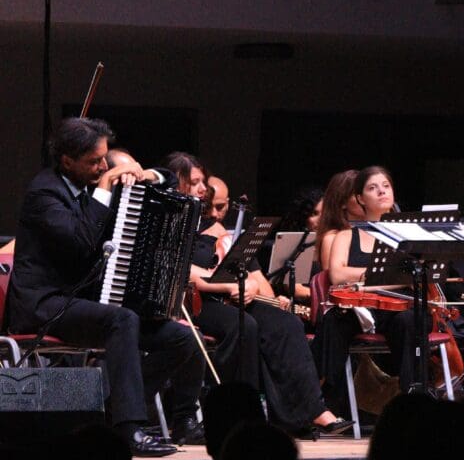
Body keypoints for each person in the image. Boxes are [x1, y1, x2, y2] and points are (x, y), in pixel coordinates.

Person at [6, 118, 204, 456]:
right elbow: (81, 242)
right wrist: (104, 190)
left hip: (80, 303)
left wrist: (147, 175)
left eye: (104, 158)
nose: (102, 166)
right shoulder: (44, 193)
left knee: (180, 338)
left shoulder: (87, 181)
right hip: (43, 305)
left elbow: (169, 178)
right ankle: (129, 430)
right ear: (67, 161)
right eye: (94, 161)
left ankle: (111, 411)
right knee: (121, 318)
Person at [163, 153, 353, 435]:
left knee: (285, 323)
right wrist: (229, 286)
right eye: (195, 182)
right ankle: (241, 415)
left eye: (203, 181)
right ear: (176, 184)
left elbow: (252, 273)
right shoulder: (172, 222)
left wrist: (252, 286)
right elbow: (183, 272)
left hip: (233, 297)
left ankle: (311, 411)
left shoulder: (216, 228)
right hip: (195, 302)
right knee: (246, 327)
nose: (203, 188)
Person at [315, 166, 422, 400]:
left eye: (386, 186)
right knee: (334, 319)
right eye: (373, 188)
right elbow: (337, 275)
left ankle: (411, 395)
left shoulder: (408, 234)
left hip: (397, 307)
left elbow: (415, 276)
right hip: (361, 306)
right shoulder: (345, 235)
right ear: (360, 199)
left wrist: (376, 276)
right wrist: (383, 274)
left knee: (409, 320)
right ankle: (324, 398)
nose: (382, 192)